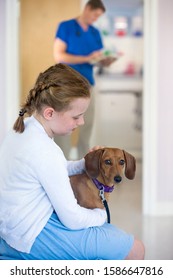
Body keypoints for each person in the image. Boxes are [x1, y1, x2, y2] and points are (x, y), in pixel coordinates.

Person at [0, 63, 144, 260]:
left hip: (11, 226)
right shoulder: (45, 150)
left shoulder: (22, 129)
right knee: (136, 249)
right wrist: (101, 214)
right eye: (76, 116)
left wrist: (83, 163)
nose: (82, 122)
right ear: (50, 113)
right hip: (31, 235)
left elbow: (50, 169)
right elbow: (73, 219)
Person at [53, 0, 114, 159]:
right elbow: (59, 56)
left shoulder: (95, 33)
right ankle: (61, 162)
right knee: (64, 123)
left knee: (86, 124)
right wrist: (86, 58)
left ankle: (84, 163)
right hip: (67, 83)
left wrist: (104, 61)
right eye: (95, 14)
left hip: (87, 85)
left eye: (98, 16)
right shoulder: (66, 27)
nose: (95, 18)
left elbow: (97, 58)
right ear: (87, 8)